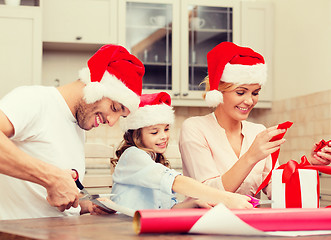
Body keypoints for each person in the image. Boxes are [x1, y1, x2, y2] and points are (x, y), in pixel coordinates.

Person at [0, 44, 145, 220]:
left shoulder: (77, 126)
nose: (112, 122)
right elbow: (53, 181)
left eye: (120, 116)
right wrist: (51, 178)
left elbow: (47, 202)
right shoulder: (35, 100)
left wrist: (88, 205)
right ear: (95, 87)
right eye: (114, 107)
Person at [179, 42, 331, 199]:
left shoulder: (257, 131)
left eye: (255, 93)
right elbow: (209, 195)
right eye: (240, 92)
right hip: (207, 222)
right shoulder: (194, 128)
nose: (250, 101)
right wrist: (251, 156)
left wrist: (310, 166)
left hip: (250, 222)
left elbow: (277, 189)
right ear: (218, 91)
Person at [110, 92, 253, 211]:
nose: (164, 136)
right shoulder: (132, 156)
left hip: (149, 228)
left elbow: (168, 209)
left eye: (166, 129)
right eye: (154, 132)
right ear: (136, 135)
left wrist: (193, 204)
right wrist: (225, 198)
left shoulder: (153, 161)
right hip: (126, 227)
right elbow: (176, 182)